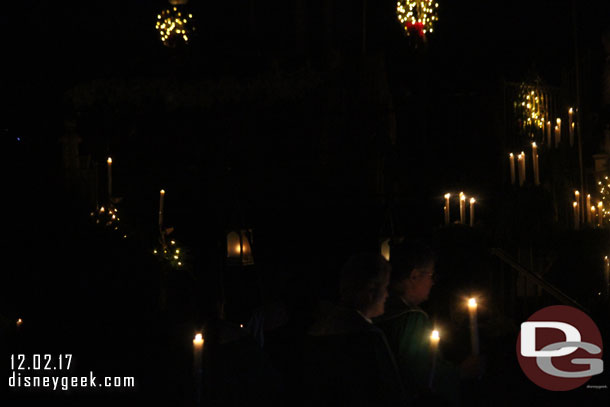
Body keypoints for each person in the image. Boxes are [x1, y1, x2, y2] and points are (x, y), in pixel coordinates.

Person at [374, 240, 481, 406]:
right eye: (430, 275)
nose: (432, 282)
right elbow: (423, 373)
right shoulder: (412, 319)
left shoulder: (377, 311)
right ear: (414, 276)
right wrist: (460, 372)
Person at [303, 253, 410, 407]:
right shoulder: (369, 338)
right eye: (385, 287)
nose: (387, 295)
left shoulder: (317, 331)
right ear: (370, 291)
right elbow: (390, 394)